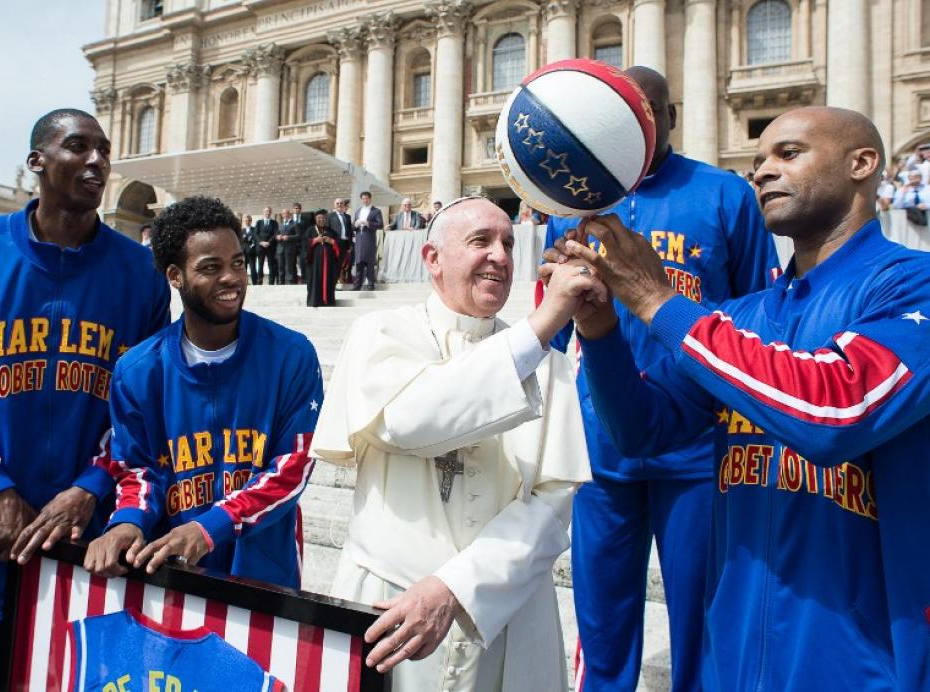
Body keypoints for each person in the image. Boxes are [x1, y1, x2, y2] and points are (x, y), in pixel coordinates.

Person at [545, 106, 930, 690]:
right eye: (757, 162)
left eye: (788, 154)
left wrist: (658, 300)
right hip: (733, 654)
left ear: (863, 164)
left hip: (858, 663)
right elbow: (644, 431)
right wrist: (602, 334)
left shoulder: (912, 283)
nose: (764, 172)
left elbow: (836, 410)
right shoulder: (745, 315)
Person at [542, 66, 779, 692]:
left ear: (670, 117)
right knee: (601, 614)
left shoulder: (727, 195)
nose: (636, 123)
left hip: (699, 448)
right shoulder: (569, 203)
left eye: (649, 110)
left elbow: (760, 318)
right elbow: (553, 326)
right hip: (601, 445)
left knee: (701, 615)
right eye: (620, 112)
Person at [311, 196, 594, 692]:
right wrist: (542, 324)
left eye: (508, 243)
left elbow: (552, 507)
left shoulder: (548, 366)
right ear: (432, 258)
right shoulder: (379, 332)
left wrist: (457, 587)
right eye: (480, 241)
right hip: (387, 598)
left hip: (507, 609)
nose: (501, 256)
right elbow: (410, 419)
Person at [0, 108, 170, 676]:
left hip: (83, 543)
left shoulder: (140, 273)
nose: (97, 161)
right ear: (37, 161)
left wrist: (92, 486)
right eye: (78, 146)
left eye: (104, 149)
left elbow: (145, 411)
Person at [83, 196, 322, 588]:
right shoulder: (138, 370)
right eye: (211, 267)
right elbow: (137, 469)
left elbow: (293, 466)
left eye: (238, 263)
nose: (231, 278)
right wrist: (128, 521)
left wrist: (211, 526)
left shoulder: (291, 355)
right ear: (175, 276)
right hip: (171, 571)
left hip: (262, 574)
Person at [304, 209, 340, 307]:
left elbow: (339, 246)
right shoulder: (310, 230)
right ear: (315, 219)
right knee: (315, 282)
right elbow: (304, 245)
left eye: (323, 218)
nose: (321, 220)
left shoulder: (331, 231)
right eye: (319, 218)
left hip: (329, 263)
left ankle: (328, 302)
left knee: (329, 282)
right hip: (314, 264)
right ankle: (314, 301)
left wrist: (332, 241)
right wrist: (314, 240)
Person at [352, 191, 383, 291]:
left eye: (367, 198)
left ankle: (370, 284)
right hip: (359, 239)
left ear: (370, 199)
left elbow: (380, 225)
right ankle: (357, 285)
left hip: (369, 238)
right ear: (361, 200)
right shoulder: (357, 211)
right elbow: (352, 226)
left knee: (370, 262)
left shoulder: (376, 211)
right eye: (363, 198)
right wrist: (355, 225)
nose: (365, 200)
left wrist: (368, 223)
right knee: (359, 263)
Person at [329, 197, 354, 285]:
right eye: (337, 203)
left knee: (341, 264)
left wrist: (350, 244)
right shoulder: (330, 216)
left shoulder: (347, 217)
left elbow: (350, 231)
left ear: (344, 205)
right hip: (334, 244)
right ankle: (332, 284)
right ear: (334, 205)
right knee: (333, 264)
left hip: (344, 244)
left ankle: (337, 281)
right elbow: (327, 230)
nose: (339, 205)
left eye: (341, 203)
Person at [253, 206, 278, 285]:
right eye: (266, 211)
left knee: (271, 265)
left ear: (270, 213)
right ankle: (259, 281)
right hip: (260, 247)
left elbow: (275, 234)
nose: (267, 213)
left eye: (269, 211)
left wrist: (269, 242)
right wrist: (261, 242)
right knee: (260, 264)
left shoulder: (274, 223)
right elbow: (255, 233)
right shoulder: (259, 222)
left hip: (270, 247)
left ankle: (271, 282)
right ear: (263, 213)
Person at [275, 208, 300, 285]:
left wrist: (289, 237)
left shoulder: (295, 224)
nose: (285, 215)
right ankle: (281, 283)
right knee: (280, 267)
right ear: (282, 215)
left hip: (289, 249)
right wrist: (277, 237)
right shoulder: (280, 224)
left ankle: (289, 283)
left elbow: (298, 235)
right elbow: (276, 235)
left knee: (289, 267)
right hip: (280, 249)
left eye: (286, 213)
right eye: (283, 213)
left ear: (289, 214)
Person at [240, 213, 257, 283]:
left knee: (253, 267)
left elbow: (256, 239)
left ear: (251, 221)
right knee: (244, 268)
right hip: (243, 251)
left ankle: (255, 282)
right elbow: (239, 241)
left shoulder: (254, 229)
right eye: (246, 220)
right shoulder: (242, 230)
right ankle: (244, 282)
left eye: (249, 220)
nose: (247, 222)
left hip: (251, 251)